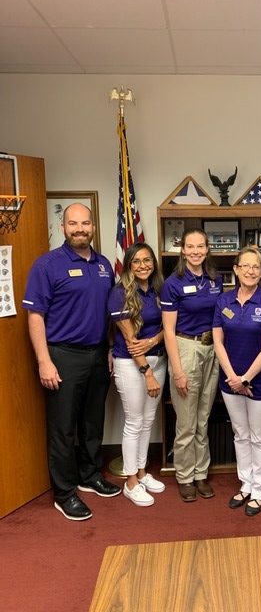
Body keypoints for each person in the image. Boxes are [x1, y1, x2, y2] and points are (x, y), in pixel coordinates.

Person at [22, 203, 120, 521]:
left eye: (86, 223)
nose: (80, 228)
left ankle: (89, 475)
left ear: (93, 227)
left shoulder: (105, 265)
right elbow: (35, 315)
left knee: (92, 423)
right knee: (63, 429)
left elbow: (108, 314)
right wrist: (44, 361)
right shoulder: (47, 265)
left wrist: (108, 348)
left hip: (96, 354)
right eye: (73, 223)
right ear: (63, 228)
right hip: (62, 355)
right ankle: (64, 493)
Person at [213, 247, 261, 516]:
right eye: (245, 266)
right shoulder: (224, 301)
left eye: (256, 267)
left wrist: (246, 378)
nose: (250, 271)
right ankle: (245, 483)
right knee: (240, 434)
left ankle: (259, 490)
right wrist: (233, 377)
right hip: (230, 381)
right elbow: (218, 341)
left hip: (260, 383)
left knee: (259, 435)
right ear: (236, 269)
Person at [160, 229, 223, 502]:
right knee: (186, 422)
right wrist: (178, 370)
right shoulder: (173, 283)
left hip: (212, 350)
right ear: (182, 250)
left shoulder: (215, 279)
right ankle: (185, 476)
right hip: (186, 349)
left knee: (203, 419)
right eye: (190, 246)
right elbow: (168, 330)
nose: (196, 251)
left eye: (200, 246)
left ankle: (200, 473)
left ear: (207, 249)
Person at [108, 242, 166, 507]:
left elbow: (172, 326)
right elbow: (131, 341)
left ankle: (142, 473)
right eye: (137, 261)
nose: (143, 265)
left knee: (148, 419)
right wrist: (147, 373)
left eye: (147, 260)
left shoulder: (159, 289)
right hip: (131, 364)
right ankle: (130, 482)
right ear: (128, 265)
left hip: (159, 359)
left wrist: (154, 340)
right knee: (134, 421)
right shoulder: (118, 293)